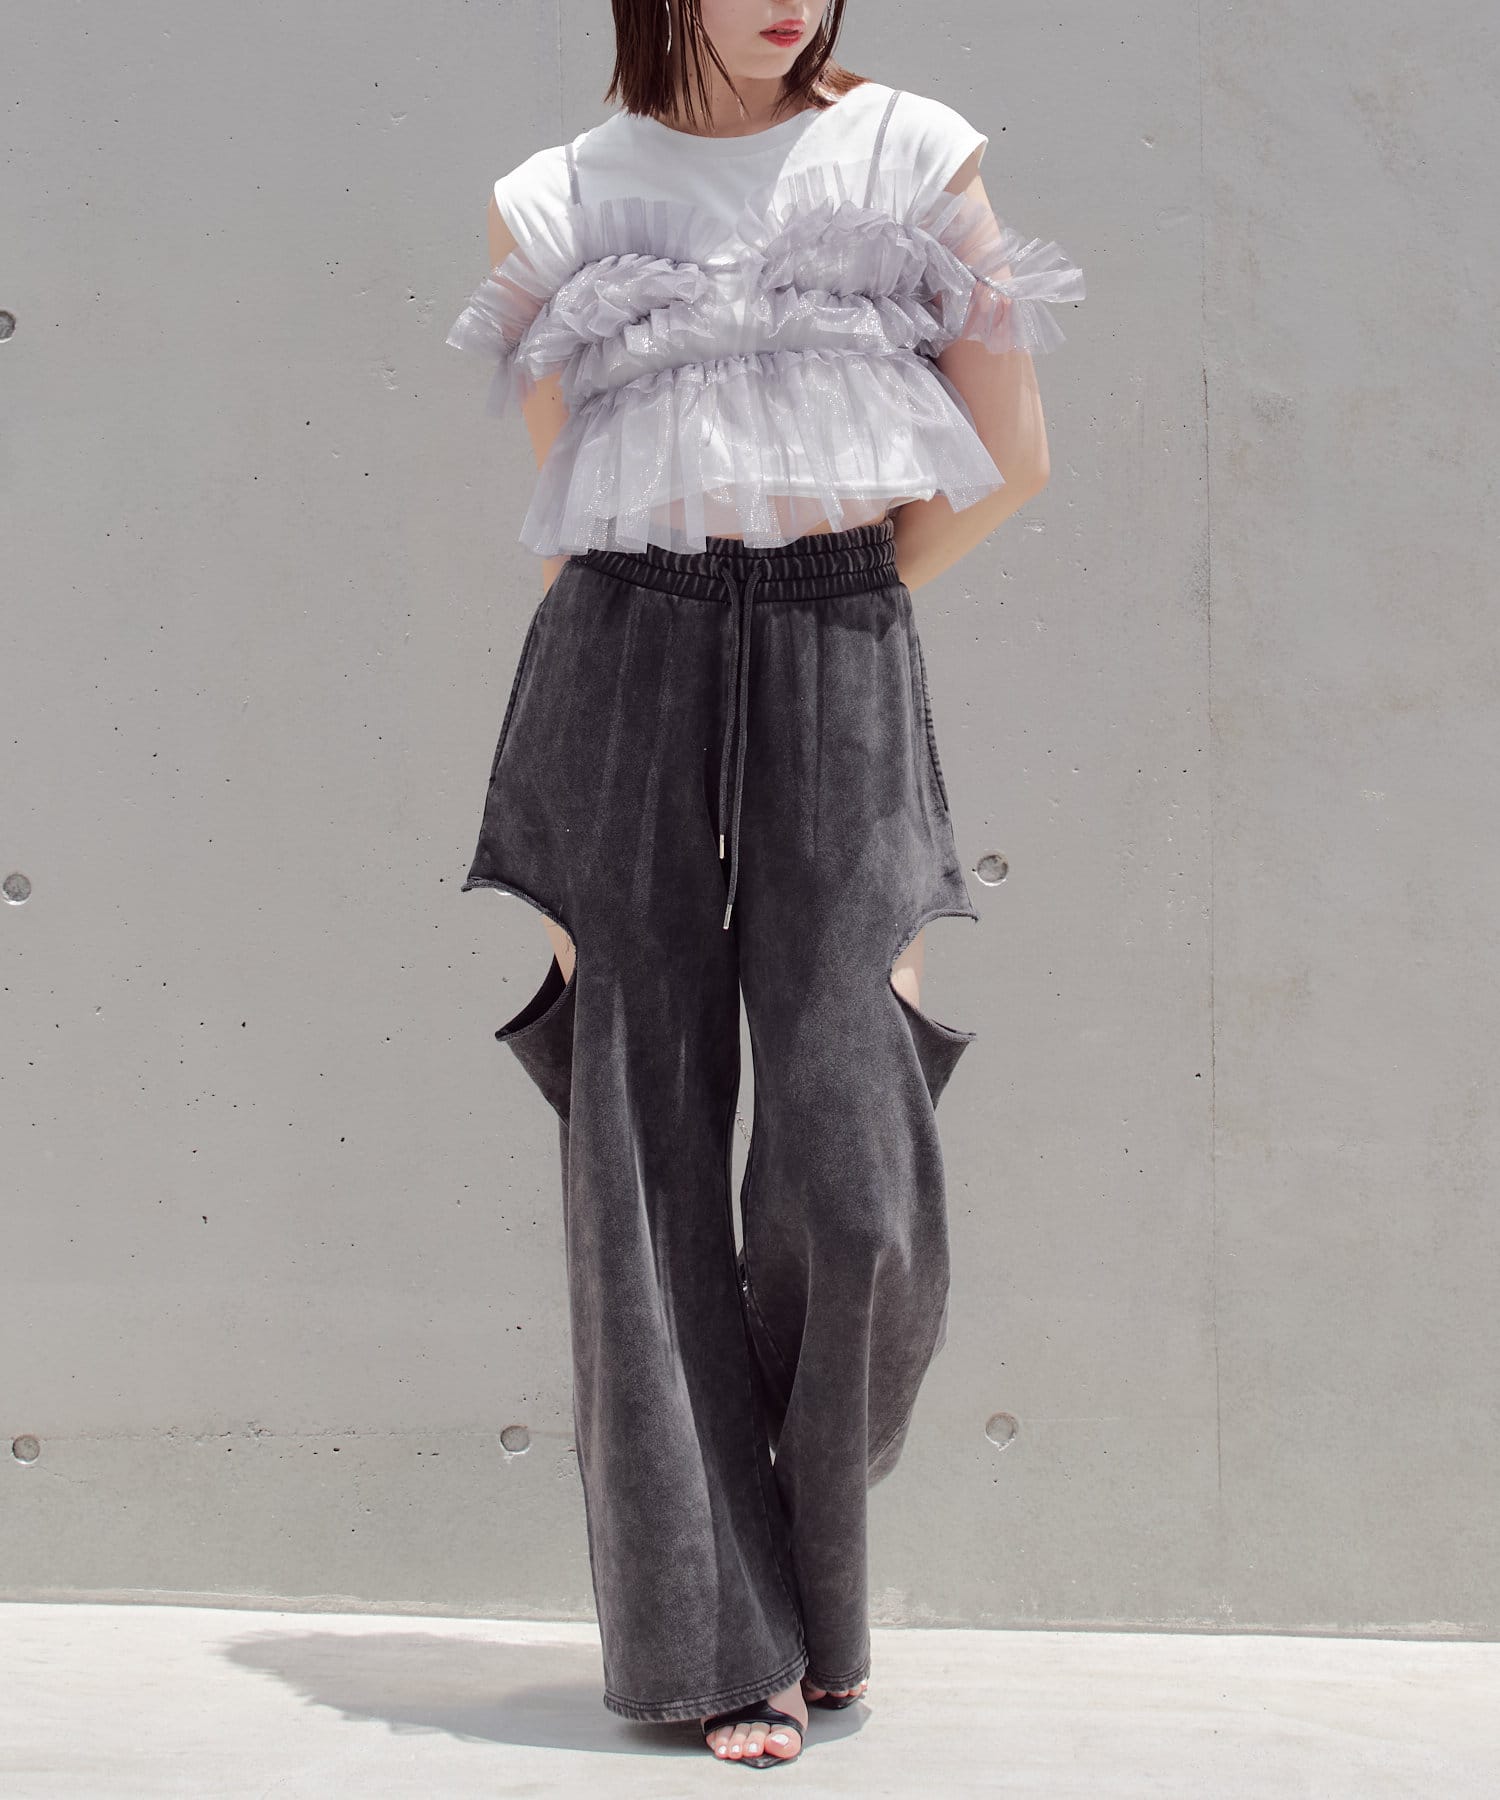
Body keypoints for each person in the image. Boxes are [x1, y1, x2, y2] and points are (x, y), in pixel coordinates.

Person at [445, 0, 1084, 1770]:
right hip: (619, 663)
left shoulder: (913, 152)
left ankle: (808, 1584)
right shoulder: (561, 192)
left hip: (838, 641)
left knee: (859, 1179)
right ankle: (721, 1643)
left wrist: (824, 609)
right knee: (636, 1160)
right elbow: (578, 498)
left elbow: (1014, 456)